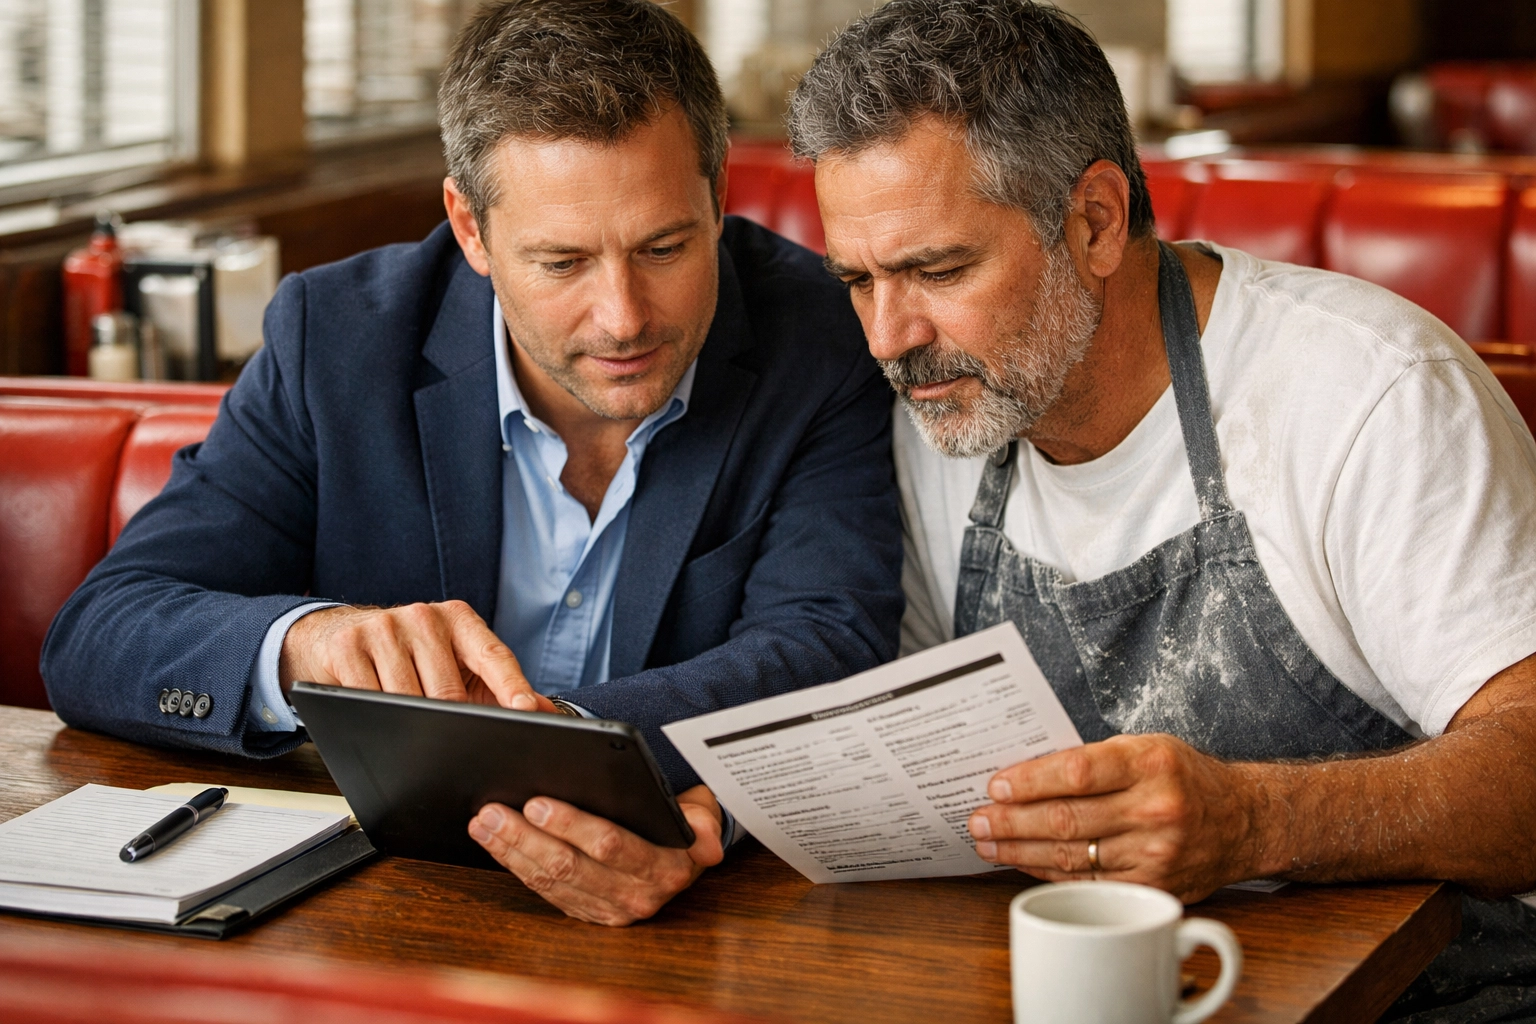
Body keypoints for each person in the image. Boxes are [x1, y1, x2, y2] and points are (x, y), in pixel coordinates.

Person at [43, 0, 902, 927]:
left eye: (665, 247)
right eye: (561, 262)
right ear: (470, 228)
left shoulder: (823, 337)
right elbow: (100, 634)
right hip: (369, 911)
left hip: (691, 916)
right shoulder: (332, 340)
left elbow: (827, 646)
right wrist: (304, 648)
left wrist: (567, 749)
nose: (623, 317)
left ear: (718, 193)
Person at [788, 1, 1536, 1018]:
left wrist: (1259, 819)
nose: (888, 336)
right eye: (858, 280)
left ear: (1094, 220)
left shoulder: (1370, 393)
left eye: (939, 270)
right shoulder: (939, 413)